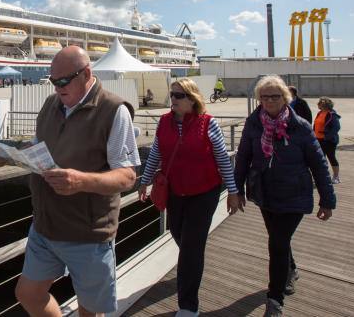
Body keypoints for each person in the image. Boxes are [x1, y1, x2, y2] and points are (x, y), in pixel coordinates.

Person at [0, 46, 140, 317]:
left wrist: (81, 181)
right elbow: (38, 148)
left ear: (87, 74)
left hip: (88, 232)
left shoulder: (115, 111)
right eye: (52, 81)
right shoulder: (50, 105)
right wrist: (8, 155)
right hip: (45, 226)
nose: (57, 87)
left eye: (63, 81)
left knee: (90, 311)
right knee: (28, 294)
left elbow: (127, 176)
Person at [138, 78, 242, 317]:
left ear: (192, 99)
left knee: (191, 247)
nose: (172, 99)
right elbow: (156, 152)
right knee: (179, 235)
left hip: (204, 192)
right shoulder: (164, 122)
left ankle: (188, 306)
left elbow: (223, 159)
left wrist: (233, 191)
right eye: (172, 95)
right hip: (175, 191)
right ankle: (191, 264)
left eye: (178, 95)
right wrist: (144, 181)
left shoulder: (208, 123)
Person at [234, 75, 336, 317]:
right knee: (278, 239)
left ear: (286, 97)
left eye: (275, 96)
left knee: (277, 243)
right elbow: (243, 157)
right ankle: (290, 269)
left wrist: (327, 200)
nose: (269, 101)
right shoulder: (253, 123)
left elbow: (319, 164)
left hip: (294, 194)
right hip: (265, 192)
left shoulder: (300, 126)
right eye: (264, 96)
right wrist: (236, 190)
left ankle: (275, 299)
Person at [314, 97, 341, 184]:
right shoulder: (319, 113)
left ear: (326, 105)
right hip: (318, 139)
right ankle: (323, 176)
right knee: (320, 159)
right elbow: (316, 125)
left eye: (320, 103)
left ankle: (336, 177)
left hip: (328, 141)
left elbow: (336, 127)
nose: (319, 105)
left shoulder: (331, 114)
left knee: (331, 157)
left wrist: (327, 137)